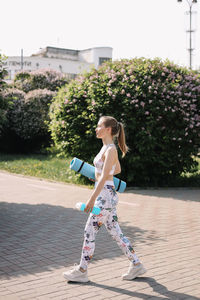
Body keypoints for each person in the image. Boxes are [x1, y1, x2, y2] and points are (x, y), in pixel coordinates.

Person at [63, 116, 146, 282]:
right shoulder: (106, 148)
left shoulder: (111, 150)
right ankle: (137, 265)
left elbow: (106, 176)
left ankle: (81, 271)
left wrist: (92, 199)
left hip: (104, 198)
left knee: (89, 231)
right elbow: (116, 169)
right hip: (107, 196)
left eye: (99, 126)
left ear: (108, 129)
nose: (96, 128)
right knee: (116, 232)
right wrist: (100, 174)